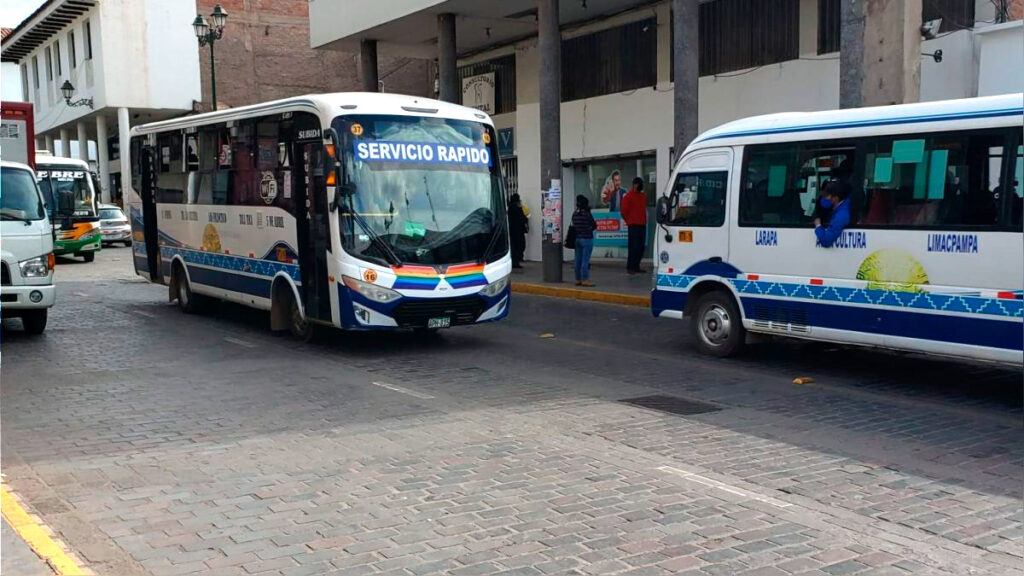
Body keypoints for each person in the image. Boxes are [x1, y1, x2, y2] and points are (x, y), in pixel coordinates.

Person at [814, 179, 852, 247]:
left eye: (827, 196)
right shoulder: (836, 208)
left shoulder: (841, 215)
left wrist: (818, 225)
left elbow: (827, 241)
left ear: (836, 198)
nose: (825, 198)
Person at [621, 177, 648, 273]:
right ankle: (630, 267)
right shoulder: (628, 196)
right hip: (633, 225)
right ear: (635, 185)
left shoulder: (643, 196)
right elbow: (623, 211)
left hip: (642, 224)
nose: (640, 186)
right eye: (639, 184)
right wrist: (629, 221)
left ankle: (636, 266)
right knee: (633, 247)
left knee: (640, 247)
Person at [571, 195, 597, 287]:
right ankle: (585, 279)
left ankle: (578, 279)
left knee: (578, 260)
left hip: (577, 238)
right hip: (587, 238)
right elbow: (594, 225)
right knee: (585, 260)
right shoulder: (587, 214)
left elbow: (574, 224)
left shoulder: (575, 214)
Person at [507, 193, 528, 268]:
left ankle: (515, 261)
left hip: (512, 231)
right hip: (518, 231)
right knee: (520, 245)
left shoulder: (509, 207)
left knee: (514, 246)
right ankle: (517, 261)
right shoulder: (517, 207)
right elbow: (522, 218)